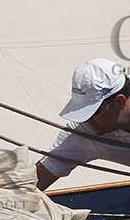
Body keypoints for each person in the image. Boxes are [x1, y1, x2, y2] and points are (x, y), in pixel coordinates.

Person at [35, 58, 130, 191]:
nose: (85, 121)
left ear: (119, 102)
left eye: (92, 113)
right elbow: (31, 185)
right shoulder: (83, 133)